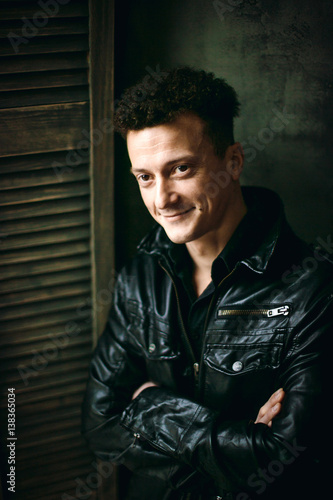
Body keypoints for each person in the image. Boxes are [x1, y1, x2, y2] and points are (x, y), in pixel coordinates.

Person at [82, 67, 332, 500]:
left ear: (233, 161)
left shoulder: (312, 288)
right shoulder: (140, 277)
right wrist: (237, 450)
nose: (161, 199)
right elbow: (100, 425)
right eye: (144, 176)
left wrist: (147, 405)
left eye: (180, 169)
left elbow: (288, 464)